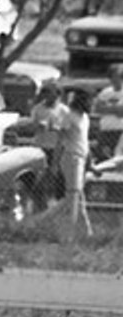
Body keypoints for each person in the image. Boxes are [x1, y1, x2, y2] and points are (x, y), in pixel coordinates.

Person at [57, 90, 93, 240]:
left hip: (82, 158)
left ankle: (87, 233)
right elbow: (60, 139)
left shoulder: (85, 118)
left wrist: (91, 162)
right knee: (73, 197)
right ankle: (67, 236)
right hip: (72, 158)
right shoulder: (69, 116)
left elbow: (85, 141)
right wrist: (54, 162)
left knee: (78, 198)